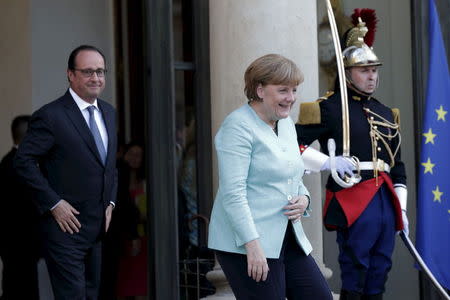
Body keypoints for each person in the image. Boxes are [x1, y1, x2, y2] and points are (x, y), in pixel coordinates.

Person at [296, 12, 409, 300]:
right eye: (364, 71)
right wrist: (326, 163)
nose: (372, 76)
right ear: (347, 72)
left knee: (380, 269)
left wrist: (403, 208)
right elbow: (292, 146)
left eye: (374, 70)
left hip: (385, 197)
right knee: (356, 267)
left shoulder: (386, 113)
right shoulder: (330, 107)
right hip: (353, 195)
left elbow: (398, 167)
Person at [208, 54, 333, 299]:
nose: (291, 98)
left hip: (288, 236)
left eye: (294, 90)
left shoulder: (284, 123)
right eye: (283, 90)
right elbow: (233, 193)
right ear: (260, 90)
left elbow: (293, 172)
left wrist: (304, 199)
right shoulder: (237, 127)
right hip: (247, 242)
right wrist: (252, 246)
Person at [14, 45, 118, 300]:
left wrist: (111, 202)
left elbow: (109, 165)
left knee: (92, 295)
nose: (96, 78)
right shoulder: (51, 116)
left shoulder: (108, 112)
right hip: (64, 229)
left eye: (101, 71)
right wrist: (53, 203)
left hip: (97, 227)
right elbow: (23, 161)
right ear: (71, 75)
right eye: (88, 72)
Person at [0, 115, 40, 300]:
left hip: (11, 243)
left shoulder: (6, 163)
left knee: (14, 287)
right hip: (22, 242)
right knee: (22, 290)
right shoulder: (21, 165)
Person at [115, 142, 148, 299]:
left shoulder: (147, 183)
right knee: (122, 282)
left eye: (139, 155)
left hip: (142, 237)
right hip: (123, 237)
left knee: (139, 282)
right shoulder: (118, 181)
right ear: (124, 155)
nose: (135, 158)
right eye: (131, 154)